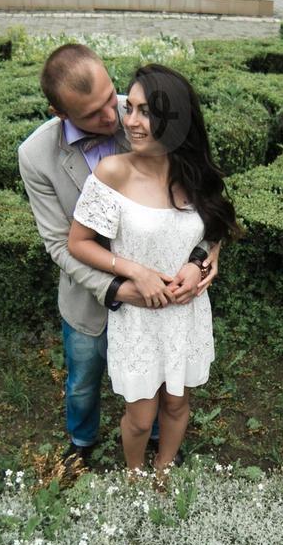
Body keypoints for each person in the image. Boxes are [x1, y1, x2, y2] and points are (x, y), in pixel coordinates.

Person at [17, 45, 219, 472]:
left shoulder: (147, 113)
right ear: (59, 112)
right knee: (84, 379)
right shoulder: (35, 155)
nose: (114, 117)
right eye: (93, 114)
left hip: (167, 300)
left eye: (113, 97)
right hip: (92, 291)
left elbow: (207, 199)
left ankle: (162, 443)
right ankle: (82, 441)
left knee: (165, 386)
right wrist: (118, 286)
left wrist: (205, 255)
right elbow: (60, 243)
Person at [66, 64, 243, 486]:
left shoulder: (195, 174)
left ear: (174, 118)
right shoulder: (114, 173)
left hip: (185, 314)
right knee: (141, 417)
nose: (130, 120)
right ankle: (134, 475)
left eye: (145, 111)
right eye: (131, 108)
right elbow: (79, 243)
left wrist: (199, 260)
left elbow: (215, 226)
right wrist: (135, 271)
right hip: (139, 317)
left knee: (179, 406)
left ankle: (163, 473)